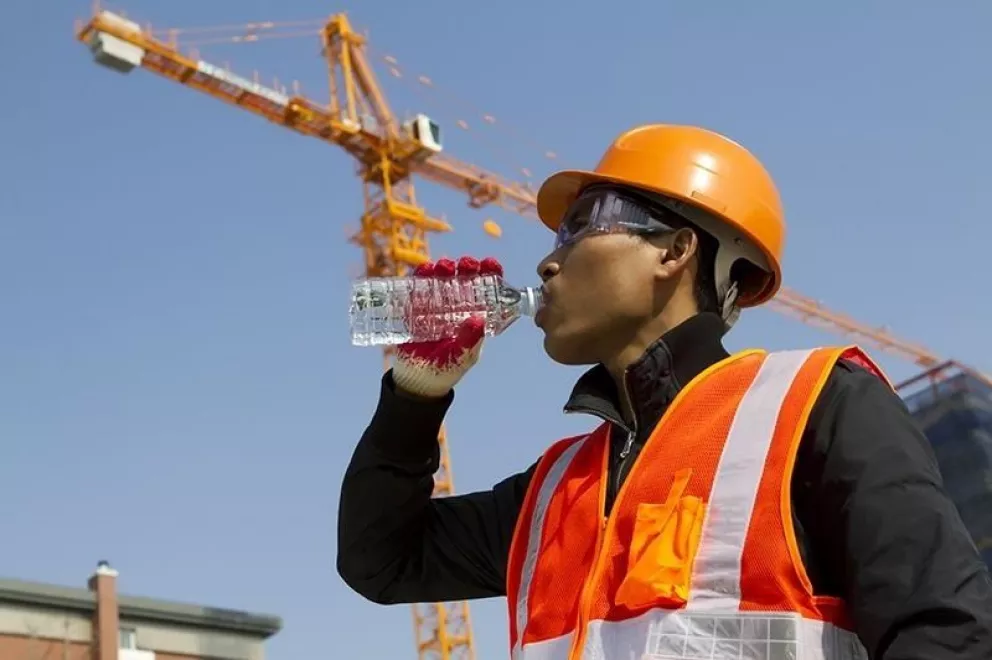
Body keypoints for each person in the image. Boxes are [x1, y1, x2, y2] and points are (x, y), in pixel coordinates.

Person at [337, 124, 992, 659]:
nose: (547, 261)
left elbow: (945, 635)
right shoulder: (555, 491)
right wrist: (415, 395)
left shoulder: (814, 407)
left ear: (675, 250)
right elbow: (381, 560)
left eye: (580, 225)